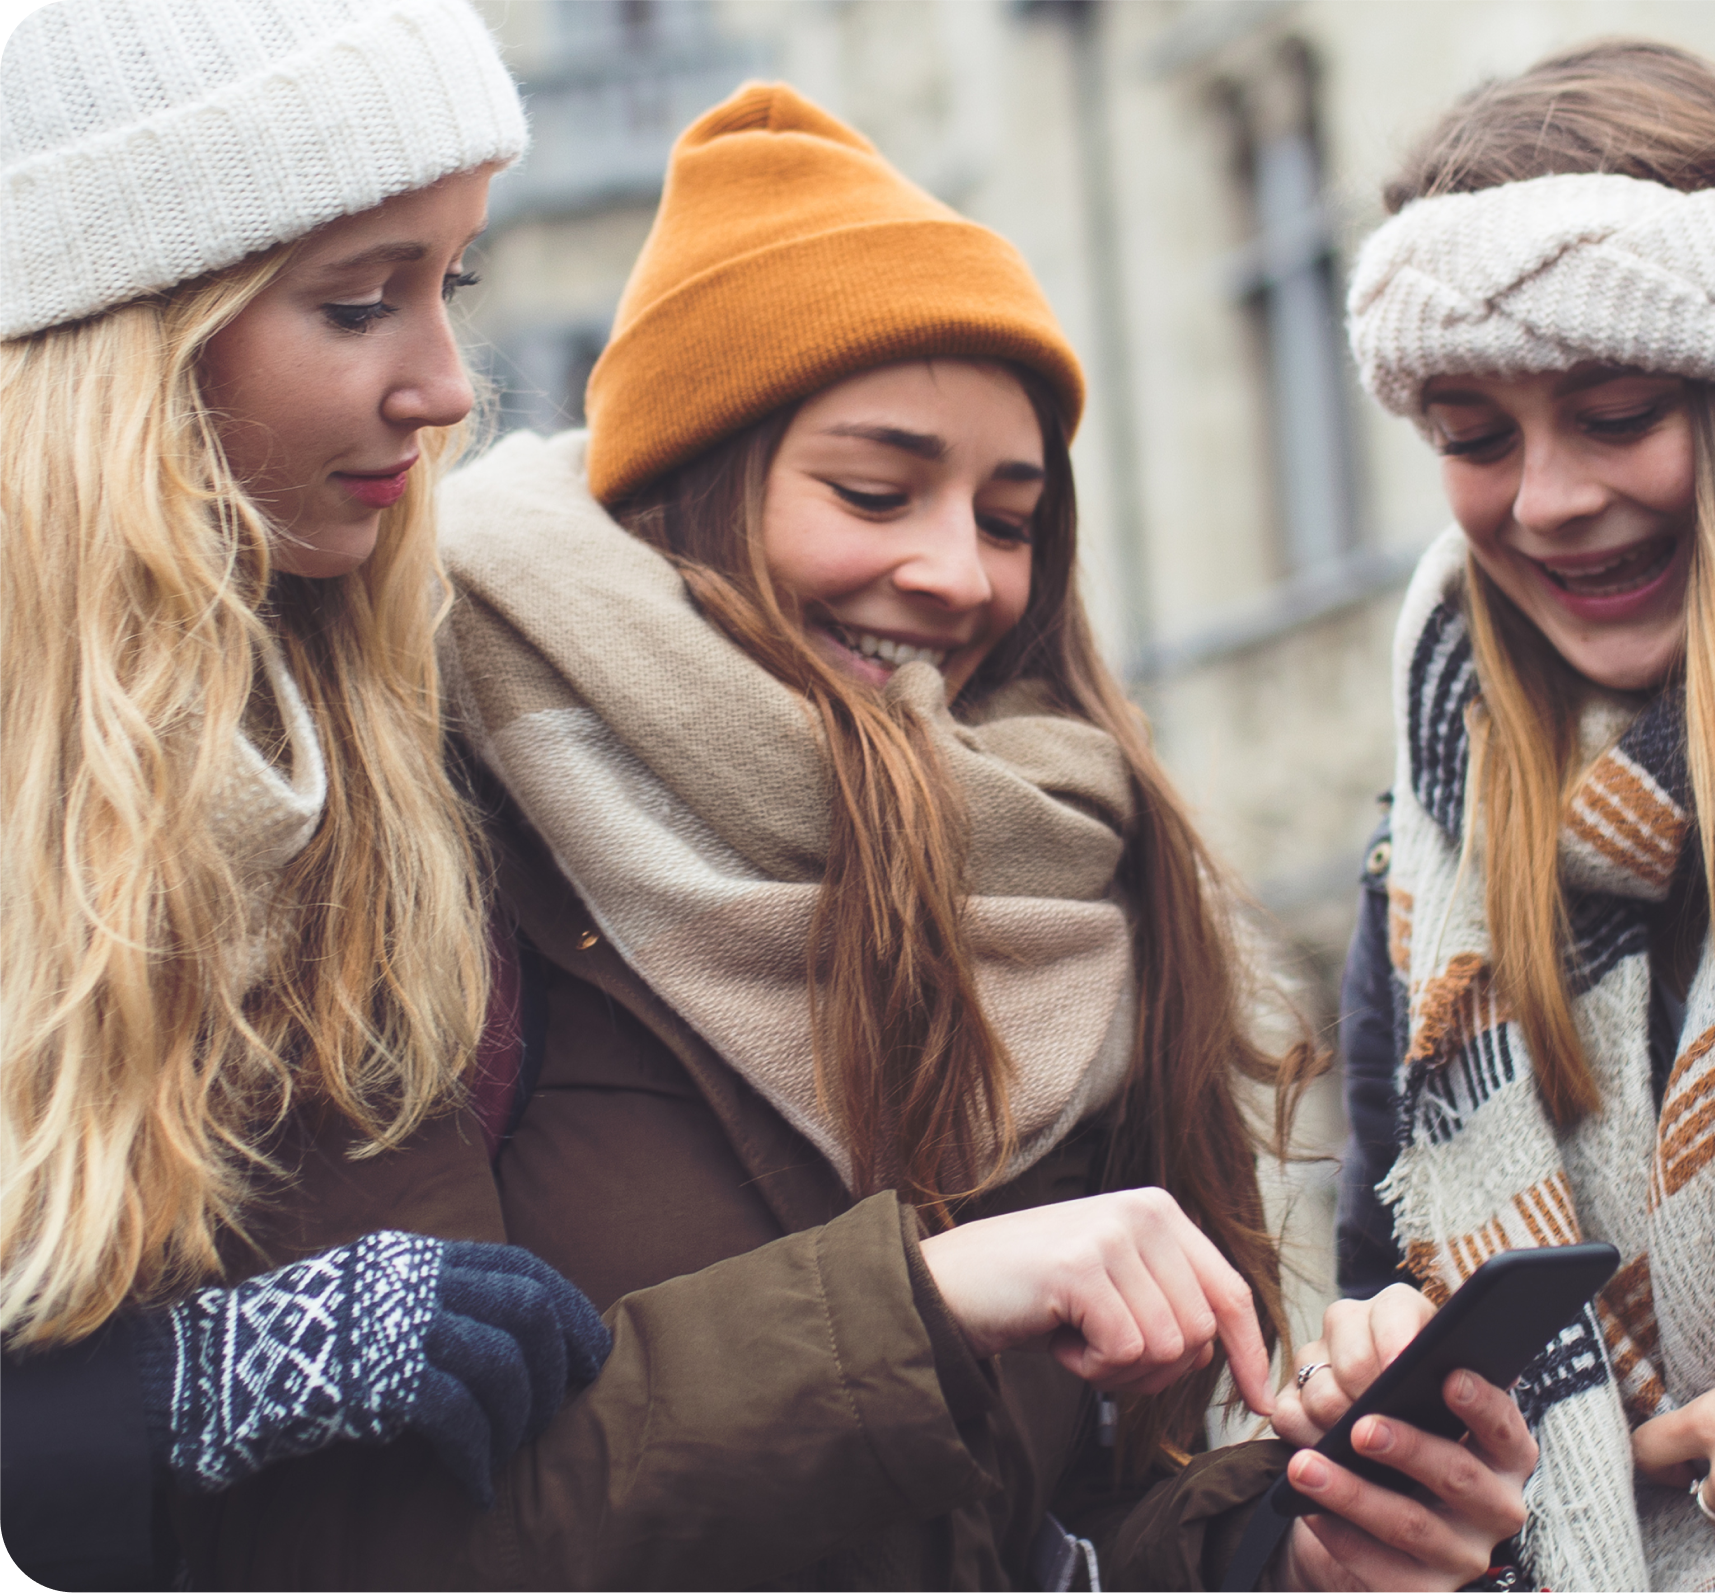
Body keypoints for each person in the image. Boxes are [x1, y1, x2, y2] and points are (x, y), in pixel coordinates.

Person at [419, 81, 1521, 1593]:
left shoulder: (1077, 880)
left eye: (1010, 520)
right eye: (875, 490)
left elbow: (1071, 1521)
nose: (956, 575)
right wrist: (917, 1309)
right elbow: (386, 1528)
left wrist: (1295, 1549)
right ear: (691, 486)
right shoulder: (426, 821)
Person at [0, 4, 610, 1588]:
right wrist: (167, 1390)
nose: (447, 385)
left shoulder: (383, 724)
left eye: (452, 284)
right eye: (358, 302)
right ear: (118, 338)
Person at [1317, 39, 1715, 1593]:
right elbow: (1381, 1264)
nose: (1545, 502)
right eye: (1473, 436)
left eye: (1616, 410)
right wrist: (1382, 1407)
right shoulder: (1437, 831)